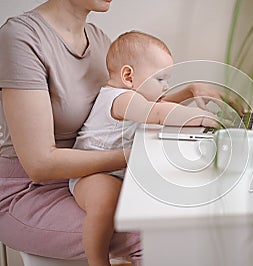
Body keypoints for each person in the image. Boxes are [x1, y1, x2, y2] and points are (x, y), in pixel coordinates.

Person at [0, 0, 224, 264]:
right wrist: (136, 155)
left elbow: (136, 107)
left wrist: (188, 91)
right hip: (30, 190)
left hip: (88, 172)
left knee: (178, 208)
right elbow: (41, 165)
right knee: (156, 235)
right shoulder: (20, 39)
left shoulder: (98, 39)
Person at [69, 31, 217, 266]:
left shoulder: (134, 99)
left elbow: (158, 108)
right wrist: (199, 118)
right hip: (93, 172)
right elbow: (157, 114)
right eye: (160, 79)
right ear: (128, 76)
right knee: (106, 202)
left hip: (118, 168)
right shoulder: (120, 99)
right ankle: (98, 261)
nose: (166, 85)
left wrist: (189, 94)